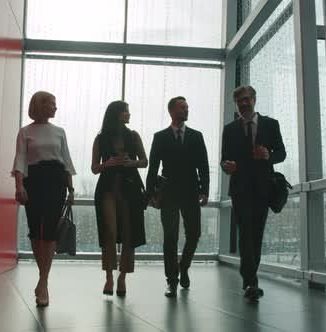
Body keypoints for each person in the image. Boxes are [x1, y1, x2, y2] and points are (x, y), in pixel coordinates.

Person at [221, 85, 286, 302]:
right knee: (245, 233)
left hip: (262, 188)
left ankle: (249, 276)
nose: (242, 103)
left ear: (254, 100)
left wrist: (268, 155)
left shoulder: (270, 124)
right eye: (238, 100)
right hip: (240, 188)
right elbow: (224, 159)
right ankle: (251, 281)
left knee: (256, 235)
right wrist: (226, 165)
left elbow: (282, 153)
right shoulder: (230, 129)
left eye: (246, 99)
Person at [12, 91, 76, 307]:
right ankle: (43, 280)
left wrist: (71, 189)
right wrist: (18, 185)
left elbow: (66, 160)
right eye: (52, 104)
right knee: (34, 229)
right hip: (34, 181)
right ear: (40, 106)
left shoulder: (60, 132)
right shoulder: (25, 132)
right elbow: (20, 159)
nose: (55, 108)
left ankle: (43, 283)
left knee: (49, 230)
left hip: (56, 181)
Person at [146, 96, 210, 298]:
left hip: (191, 192)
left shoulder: (196, 136)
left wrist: (205, 190)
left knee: (194, 235)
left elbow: (204, 165)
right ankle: (171, 280)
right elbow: (153, 167)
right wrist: (150, 194)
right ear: (172, 111)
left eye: (187, 107)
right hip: (169, 193)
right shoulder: (160, 136)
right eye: (183, 107)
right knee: (170, 237)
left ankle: (183, 267)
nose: (187, 110)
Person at [92, 100, 148, 297]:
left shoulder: (133, 136)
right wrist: (107, 163)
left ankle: (122, 277)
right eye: (126, 111)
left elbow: (144, 161)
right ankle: (108, 276)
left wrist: (130, 162)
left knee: (128, 234)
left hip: (129, 189)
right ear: (116, 114)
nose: (129, 115)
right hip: (106, 189)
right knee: (110, 231)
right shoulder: (100, 139)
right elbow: (94, 168)